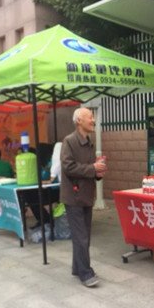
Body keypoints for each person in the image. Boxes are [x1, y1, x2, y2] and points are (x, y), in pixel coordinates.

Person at [61, 107, 107, 287]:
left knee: (84, 234)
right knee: (81, 236)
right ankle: (86, 273)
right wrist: (92, 169)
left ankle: (77, 267)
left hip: (86, 195)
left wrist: (98, 173)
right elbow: (68, 167)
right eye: (90, 117)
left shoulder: (89, 142)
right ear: (79, 120)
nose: (93, 120)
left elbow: (88, 169)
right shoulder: (69, 141)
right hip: (73, 196)